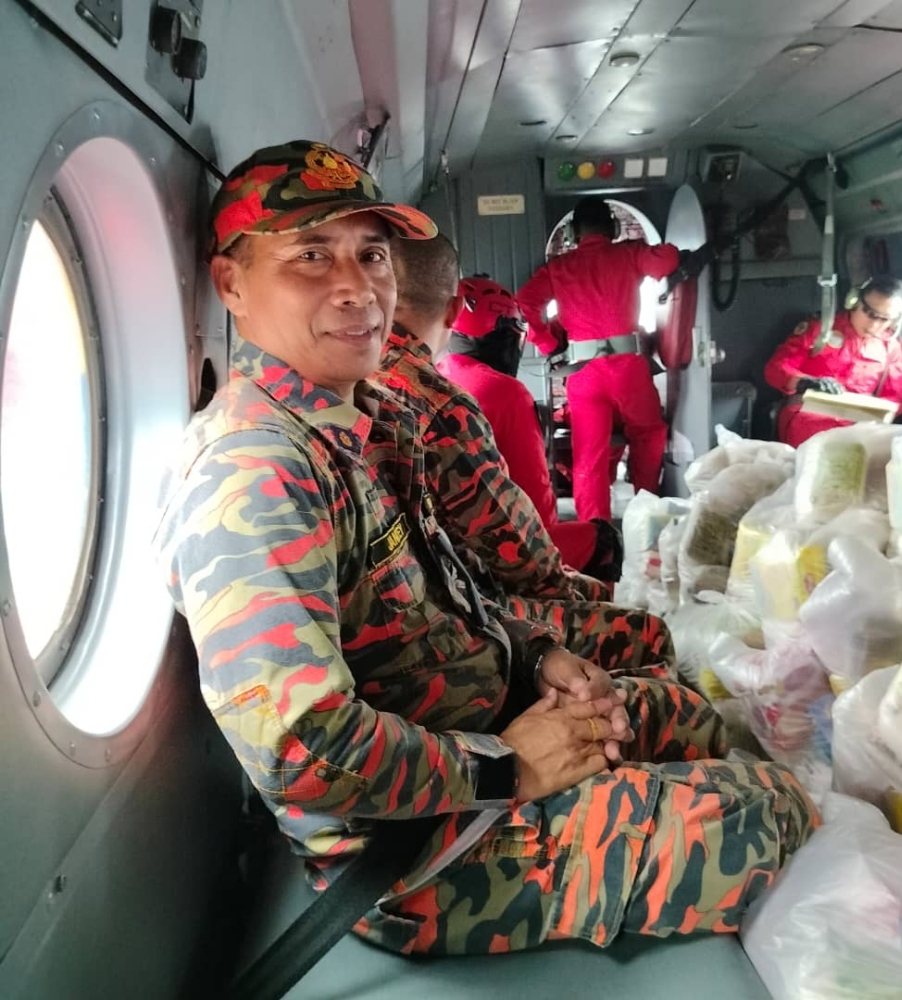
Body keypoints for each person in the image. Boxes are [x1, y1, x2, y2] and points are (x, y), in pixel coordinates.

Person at [155, 140, 818, 959]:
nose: (356, 286)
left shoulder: (356, 426)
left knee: (681, 712)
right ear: (232, 285)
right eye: (311, 257)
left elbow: (441, 595)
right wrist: (506, 766)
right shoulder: (257, 474)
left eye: (372, 254)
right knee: (775, 811)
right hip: (420, 847)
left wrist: (535, 656)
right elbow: (303, 748)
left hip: (479, 725)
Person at [376, 237, 669, 670]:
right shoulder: (469, 399)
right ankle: (651, 518)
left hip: (422, 582)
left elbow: (533, 304)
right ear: (452, 313)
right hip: (464, 596)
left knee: (587, 464)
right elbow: (527, 530)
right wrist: (573, 593)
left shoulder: (381, 376)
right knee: (616, 527)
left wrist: (551, 343)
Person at [373, 236, 614, 598]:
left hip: (419, 564)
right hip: (472, 575)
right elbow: (536, 521)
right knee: (604, 539)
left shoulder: (406, 373)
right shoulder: (497, 395)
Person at [517, 197, 711, 521]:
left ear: (572, 233)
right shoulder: (629, 254)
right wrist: (647, 249)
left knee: (589, 457)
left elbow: (525, 302)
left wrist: (548, 340)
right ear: (613, 227)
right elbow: (667, 259)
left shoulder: (558, 268)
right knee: (648, 433)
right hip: (628, 370)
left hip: (583, 374)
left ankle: (596, 535)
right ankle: (645, 511)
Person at [764, 277, 902, 447]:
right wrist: (804, 382)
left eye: (884, 319)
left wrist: (873, 416)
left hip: (860, 424)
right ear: (853, 302)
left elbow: (895, 400)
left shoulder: (891, 348)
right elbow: (775, 369)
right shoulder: (820, 328)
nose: (874, 324)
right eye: (869, 313)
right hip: (808, 415)